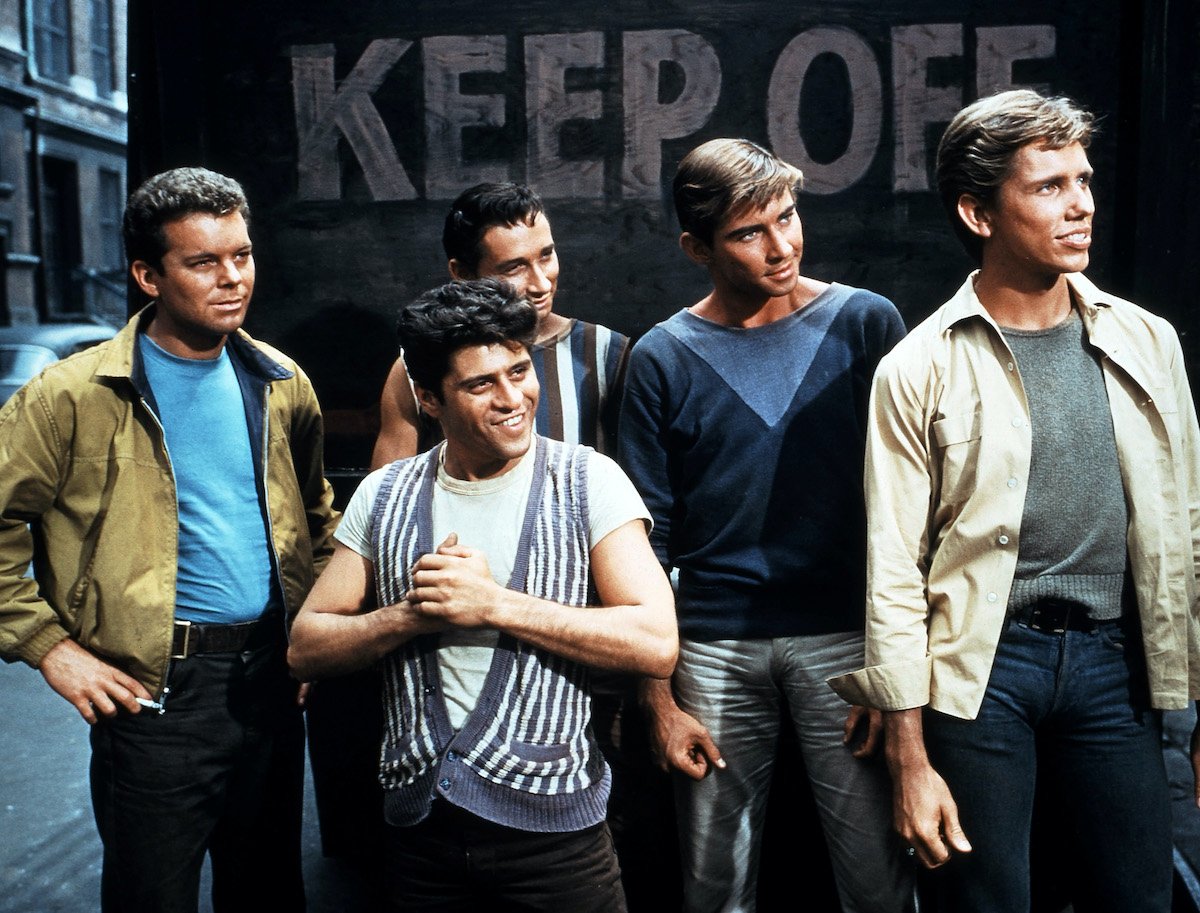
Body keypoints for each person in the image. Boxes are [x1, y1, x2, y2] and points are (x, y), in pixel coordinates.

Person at [830, 88, 1198, 913]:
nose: (1082, 204)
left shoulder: (1147, 340)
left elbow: (1188, 527)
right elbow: (894, 570)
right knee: (984, 898)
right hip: (983, 669)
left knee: (1139, 896)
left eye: (1084, 179)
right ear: (978, 210)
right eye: (1049, 186)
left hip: (1116, 664)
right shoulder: (919, 365)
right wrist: (909, 757)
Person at [0, 167, 338, 912]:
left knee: (270, 891)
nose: (232, 279)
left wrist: (318, 627)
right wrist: (48, 646)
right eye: (204, 261)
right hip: (154, 698)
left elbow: (315, 518)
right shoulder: (73, 395)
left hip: (269, 681)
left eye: (241, 255)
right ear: (148, 275)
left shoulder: (281, 381)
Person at [288, 278, 677, 912]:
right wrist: (409, 615)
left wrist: (494, 604)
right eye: (479, 384)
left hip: (557, 840)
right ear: (428, 399)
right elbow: (306, 647)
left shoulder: (588, 482)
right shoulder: (384, 496)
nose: (512, 398)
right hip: (420, 836)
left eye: (519, 371)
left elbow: (656, 642)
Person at [618, 138, 913, 913]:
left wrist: (896, 671)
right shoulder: (661, 356)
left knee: (878, 877)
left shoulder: (865, 322)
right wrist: (657, 697)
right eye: (751, 232)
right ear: (697, 247)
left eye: (788, 217)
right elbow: (644, 539)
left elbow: (914, 504)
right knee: (715, 884)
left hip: (847, 641)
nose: (781, 245)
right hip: (711, 643)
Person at [371, 181, 630, 465]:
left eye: (546, 255)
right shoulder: (419, 363)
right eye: (514, 267)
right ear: (463, 273)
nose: (541, 283)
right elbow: (386, 493)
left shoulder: (606, 353)